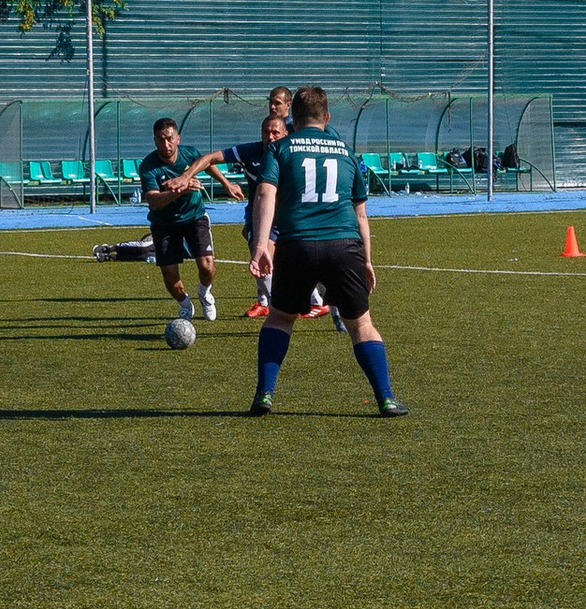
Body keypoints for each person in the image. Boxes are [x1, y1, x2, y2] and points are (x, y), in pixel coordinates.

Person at [246, 83, 405, 417]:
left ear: (294, 117)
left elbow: (264, 194)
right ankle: (386, 399)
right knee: (361, 325)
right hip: (344, 246)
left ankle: (264, 395)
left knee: (280, 318)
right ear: (327, 116)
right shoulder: (346, 151)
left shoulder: (281, 148)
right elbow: (361, 213)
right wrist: (368, 260)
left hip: (297, 244)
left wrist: (261, 245)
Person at [137, 117, 235, 323]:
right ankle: (184, 304)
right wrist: (181, 190)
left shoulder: (190, 153)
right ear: (154, 140)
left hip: (194, 216)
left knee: (207, 267)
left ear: (178, 138)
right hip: (164, 223)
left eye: (170, 139)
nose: (166, 145)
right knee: (170, 276)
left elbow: (207, 164)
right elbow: (154, 201)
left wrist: (226, 184)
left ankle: (204, 293)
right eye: (161, 140)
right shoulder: (148, 166)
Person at [229, 110, 292, 316]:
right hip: (261, 216)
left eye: (278, 103)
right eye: (266, 132)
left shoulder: (293, 151)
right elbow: (212, 158)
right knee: (262, 255)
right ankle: (267, 302)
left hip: (288, 215)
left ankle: (320, 302)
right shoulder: (253, 152)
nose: (270, 136)